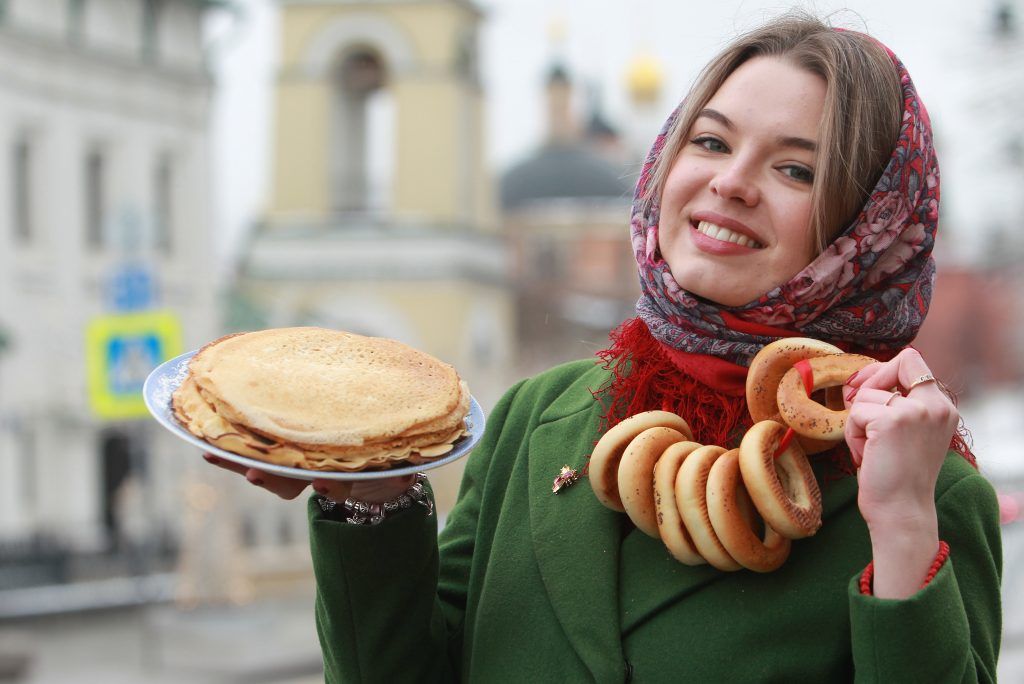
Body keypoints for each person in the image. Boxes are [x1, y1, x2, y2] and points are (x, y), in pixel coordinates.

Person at [204, 13, 1002, 682]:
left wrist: (899, 524)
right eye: (713, 143)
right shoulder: (538, 417)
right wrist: (368, 495)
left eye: (795, 168)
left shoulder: (914, 486)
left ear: (869, 229)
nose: (730, 182)